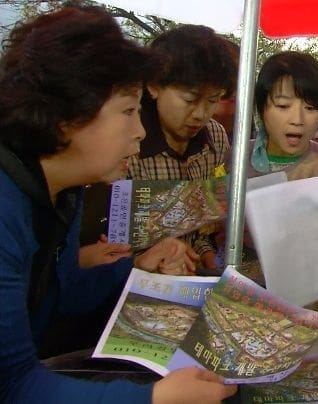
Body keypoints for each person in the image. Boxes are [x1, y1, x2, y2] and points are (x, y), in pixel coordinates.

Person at [0, 6, 236, 402]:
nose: (140, 131)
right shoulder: (7, 209)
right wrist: (154, 398)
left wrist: (136, 267)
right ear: (66, 116)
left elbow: (63, 294)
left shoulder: (65, 192)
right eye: (128, 111)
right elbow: (12, 384)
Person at [247, 51, 318, 342]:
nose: (298, 120)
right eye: (283, 105)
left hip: (316, 325)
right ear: (261, 108)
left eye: (310, 108)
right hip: (249, 318)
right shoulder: (236, 163)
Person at [128, 24, 237, 272]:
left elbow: (207, 221)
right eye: (189, 99)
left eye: (213, 100)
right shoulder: (129, 143)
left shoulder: (216, 137)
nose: (201, 114)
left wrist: (206, 252)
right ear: (154, 86)